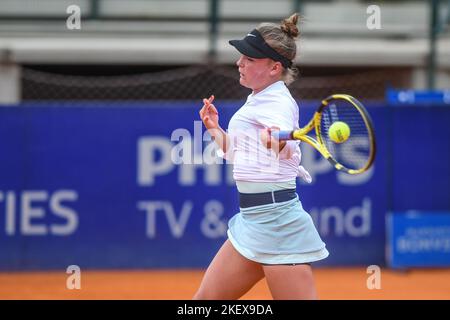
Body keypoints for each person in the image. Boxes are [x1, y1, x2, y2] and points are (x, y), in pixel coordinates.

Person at [194, 13, 329, 300]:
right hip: (252, 222)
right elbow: (236, 153)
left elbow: (284, 142)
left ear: (274, 68)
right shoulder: (259, 98)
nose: (239, 63)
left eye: (250, 59)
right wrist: (215, 128)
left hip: (278, 224)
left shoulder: (277, 102)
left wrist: (277, 141)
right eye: (241, 56)